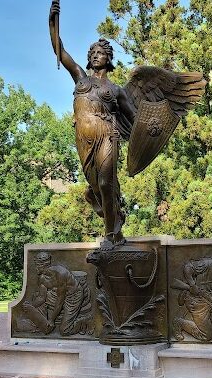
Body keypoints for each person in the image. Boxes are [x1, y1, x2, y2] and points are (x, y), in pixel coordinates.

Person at [49, 0, 137, 248]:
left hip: (107, 135)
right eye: (92, 53)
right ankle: (114, 219)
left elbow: (134, 117)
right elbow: (60, 50)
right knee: (95, 186)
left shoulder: (116, 90)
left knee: (106, 183)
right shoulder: (80, 77)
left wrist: (150, 127)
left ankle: (111, 235)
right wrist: (52, 21)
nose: (95, 55)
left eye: (100, 53)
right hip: (83, 138)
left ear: (108, 59)